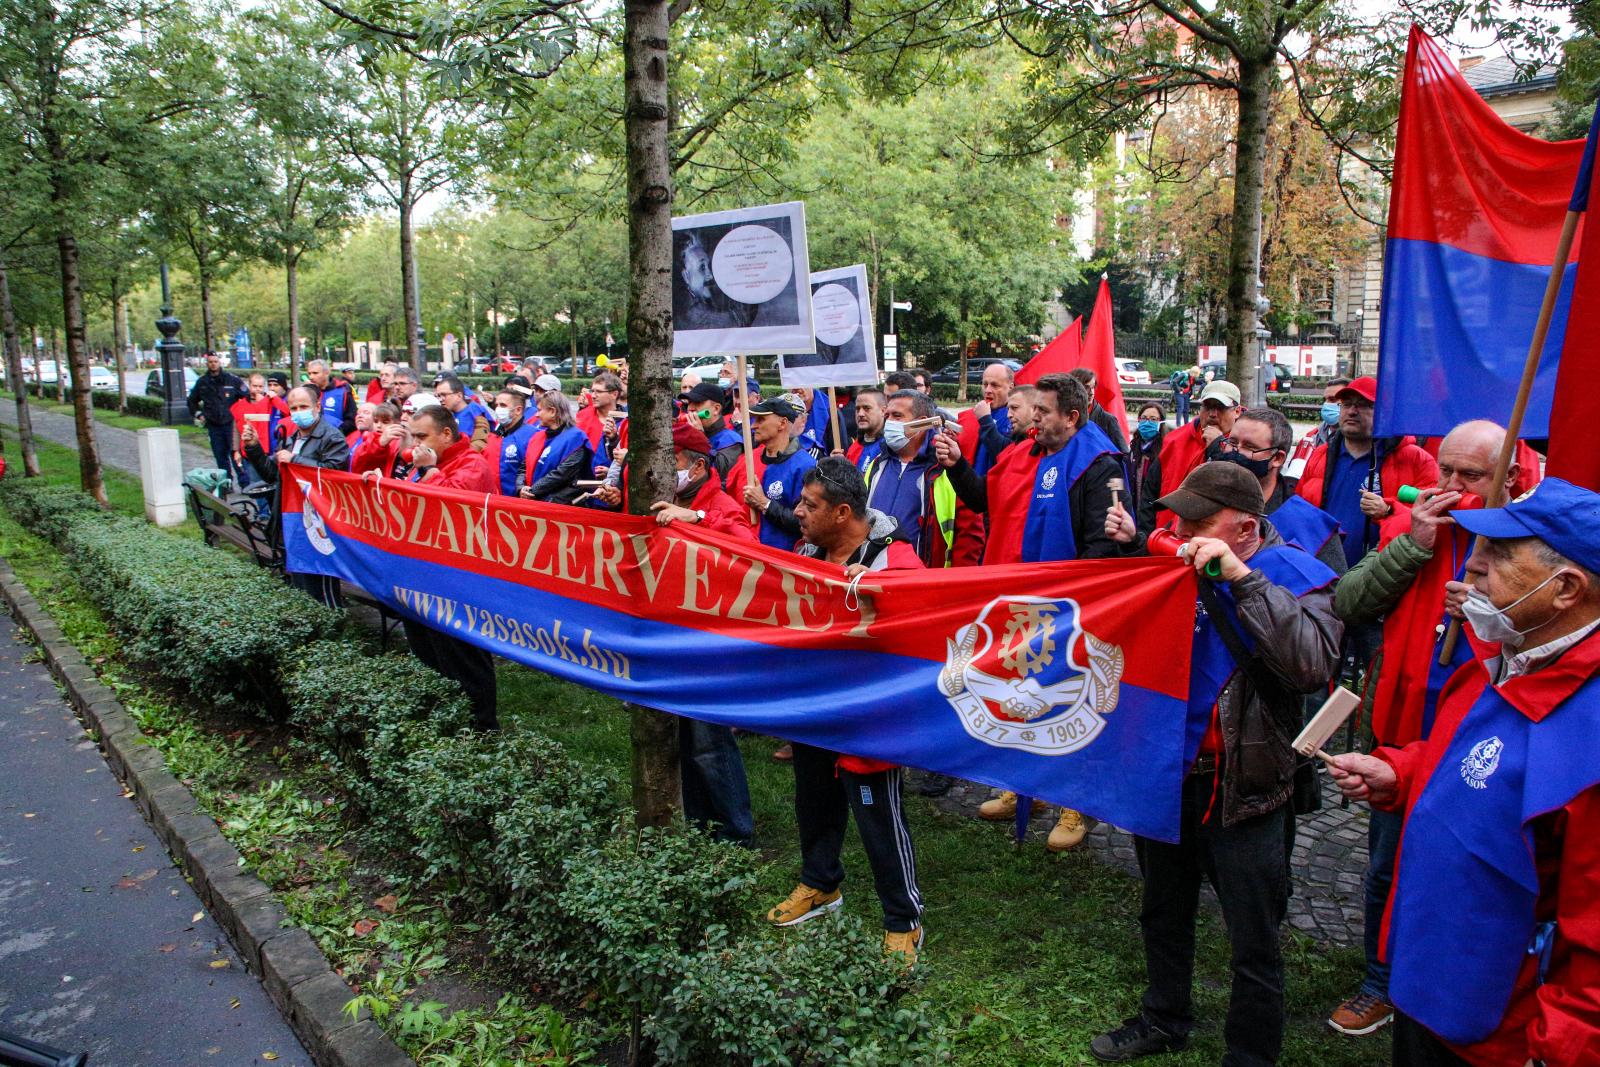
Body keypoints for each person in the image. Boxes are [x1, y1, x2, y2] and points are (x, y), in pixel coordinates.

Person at [1327, 478, 1600, 1067]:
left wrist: (1559, 1051)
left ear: (1567, 589)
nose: (1470, 567)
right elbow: (1468, 758)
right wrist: (1398, 772)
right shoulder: (1505, 657)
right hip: (1431, 984)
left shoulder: (1590, 728)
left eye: (1499, 556)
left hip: (1503, 1034)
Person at [1096, 462, 1343, 1066]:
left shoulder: (1300, 577)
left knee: (1254, 936)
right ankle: (1163, 1016)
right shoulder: (1175, 562)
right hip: (1168, 772)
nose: (1182, 529)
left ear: (1247, 530)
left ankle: (1251, 1054)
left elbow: (1312, 665)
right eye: (1179, 518)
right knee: (1162, 907)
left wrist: (1241, 580)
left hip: (1247, 784)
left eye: (1200, 522)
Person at [1321, 420, 1529, 1038]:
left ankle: (1470, 987)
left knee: (1476, 867)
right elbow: (1349, 602)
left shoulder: (1531, 544)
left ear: (1509, 478)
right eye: (1446, 472)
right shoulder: (1415, 528)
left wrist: (1500, 615)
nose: (1452, 486)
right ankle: (1381, 982)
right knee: (1386, 865)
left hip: (1484, 745)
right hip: (1401, 730)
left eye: (1472, 476)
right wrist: (1411, 546)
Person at [935, 373, 1124, 850]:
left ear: (1072, 417)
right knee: (1020, 697)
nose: (1031, 419)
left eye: (1042, 412)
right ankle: (1024, 786)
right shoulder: (1020, 453)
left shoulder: (1099, 464)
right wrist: (958, 466)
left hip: (1069, 611)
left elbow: (1105, 546)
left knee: (1067, 699)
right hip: (1017, 604)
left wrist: (1074, 606)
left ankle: (1074, 804)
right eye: (1032, 410)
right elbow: (984, 499)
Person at [766, 457, 927, 964]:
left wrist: (884, 592)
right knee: (813, 802)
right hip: (815, 706)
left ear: (841, 513)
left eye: (809, 505)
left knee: (878, 816)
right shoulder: (807, 550)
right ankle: (820, 885)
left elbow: (926, 610)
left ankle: (903, 919)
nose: (797, 512)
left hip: (867, 717)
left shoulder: (894, 557)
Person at [649, 419, 756, 846]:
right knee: (688, 739)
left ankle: (736, 832)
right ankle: (700, 823)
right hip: (679, 632)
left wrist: (695, 517)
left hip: (710, 639)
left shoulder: (718, 504)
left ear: (695, 468)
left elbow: (745, 544)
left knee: (709, 741)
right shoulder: (673, 497)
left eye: (670, 460)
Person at [1295, 376, 1438, 572]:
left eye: (1364, 405)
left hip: (1380, 578)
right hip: (1321, 575)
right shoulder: (1320, 455)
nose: (1352, 411)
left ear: (1384, 414)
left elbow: (1432, 518)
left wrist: (1388, 512)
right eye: (1346, 404)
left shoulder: (1416, 460)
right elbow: (1300, 512)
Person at [240, 384, 350, 609]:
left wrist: (295, 461)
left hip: (318, 523)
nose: (298, 412)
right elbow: (273, 475)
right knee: (301, 584)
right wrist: (253, 448)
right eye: (294, 408)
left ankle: (332, 626)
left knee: (321, 584)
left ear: (317, 406)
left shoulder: (332, 437)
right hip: (292, 520)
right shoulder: (291, 438)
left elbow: (334, 476)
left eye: (303, 406)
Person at [1219, 407, 1345, 575]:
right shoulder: (1203, 503)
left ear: (1277, 458)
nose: (1236, 452)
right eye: (1232, 443)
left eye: (1249, 446)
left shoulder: (1311, 527)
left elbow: (1332, 594)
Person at [1139, 378, 1239, 532]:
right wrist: (1147, 535)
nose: (1212, 414)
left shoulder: (1246, 444)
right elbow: (1150, 493)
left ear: (1237, 411)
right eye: (1207, 406)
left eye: (1220, 407)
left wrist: (1217, 448)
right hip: (1165, 538)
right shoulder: (1175, 440)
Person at [741, 394, 817, 551]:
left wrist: (765, 504)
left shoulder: (805, 466)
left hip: (782, 560)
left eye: (761, 420)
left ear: (782, 423)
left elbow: (807, 522)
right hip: (748, 553)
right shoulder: (748, 459)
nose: (754, 426)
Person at [519, 391, 593, 504]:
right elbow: (523, 468)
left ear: (553, 411)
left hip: (560, 505)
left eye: (539, 410)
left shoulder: (576, 438)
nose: (536, 415)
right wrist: (521, 487)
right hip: (534, 500)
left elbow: (561, 474)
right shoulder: (537, 437)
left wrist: (532, 491)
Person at [188, 352, 247, 483]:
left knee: (236, 454)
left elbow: (246, 397)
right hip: (213, 425)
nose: (213, 364)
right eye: (210, 362)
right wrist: (199, 414)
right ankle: (226, 483)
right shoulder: (202, 382)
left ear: (219, 362)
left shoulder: (232, 380)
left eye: (215, 361)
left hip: (231, 424)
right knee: (220, 456)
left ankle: (244, 483)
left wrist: (241, 415)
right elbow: (192, 401)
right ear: (207, 364)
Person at [228, 373, 289, 489]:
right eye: (255, 386)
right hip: (249, 452)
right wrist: (236, 450)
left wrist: (273, 398)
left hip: (268, 451)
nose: (257, 389)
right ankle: (263, 508)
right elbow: (236, 428)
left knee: (272, 486)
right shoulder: (240, 405)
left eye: (260, 386)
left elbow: (287, 412)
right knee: (256, 486)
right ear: (249, 386)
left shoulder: (270, 401)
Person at [1283, 377, 1348, 481]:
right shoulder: (1311, 438)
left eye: (1332, 399)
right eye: (1324, 400)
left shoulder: (1358, 443)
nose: (1326, 404)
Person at [957, 362, 1015, 477]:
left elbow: (1006, 454)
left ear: (1010, 388)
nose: (988, 390)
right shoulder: (969, 415)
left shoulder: (1016, 418)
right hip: (971, 487)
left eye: (995, 385)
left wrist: (985, 420)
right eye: (985, 384)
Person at [491, 386, 539, 496]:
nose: (498, 409)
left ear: (518, 410)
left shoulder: (532, 436)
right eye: (496, 405)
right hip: (492, 500)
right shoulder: (494, 434)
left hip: (516, 503)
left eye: (503, 405)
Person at [1069, 367, 1130, 452]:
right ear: (1074, 389)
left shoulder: (1108, 420)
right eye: (1086, 387)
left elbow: (1123, 454)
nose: (1091, 392)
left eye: (1093, 387)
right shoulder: (1064, 418)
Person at [1129, 401, 1166, 520]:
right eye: (1144, 418)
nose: (1147, 422)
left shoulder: (1165, 450)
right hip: (1133, 511)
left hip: (1153, 513)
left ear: (1160, 423)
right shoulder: (1134, 448)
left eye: (1153, 419)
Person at [351, 403, 405, 477]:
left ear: (397, 423)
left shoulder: (401, 442)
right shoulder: (368, 439)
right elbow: (356, 467)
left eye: (385, 422)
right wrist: (379, 444)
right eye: (376, 421)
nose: (379, 425)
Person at [433, 373, 495, 438]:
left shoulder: (474, 411)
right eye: (438, 396)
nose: (440, 399)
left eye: (444, 395)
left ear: (459, 396)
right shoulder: (448, 413)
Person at [305, 359, 356, 435]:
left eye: (315, 373)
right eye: (309, 374)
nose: (311, 377)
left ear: (327, 373)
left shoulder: (343, 391)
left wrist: (336, 431)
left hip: (336, 439)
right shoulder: (306, 392)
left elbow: (352, 421)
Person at [846, 387, 887, 471]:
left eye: (867, 408)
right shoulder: (853, 448)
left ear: (883, 411)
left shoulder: (889, 447)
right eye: (857, 409)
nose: (860, 414)